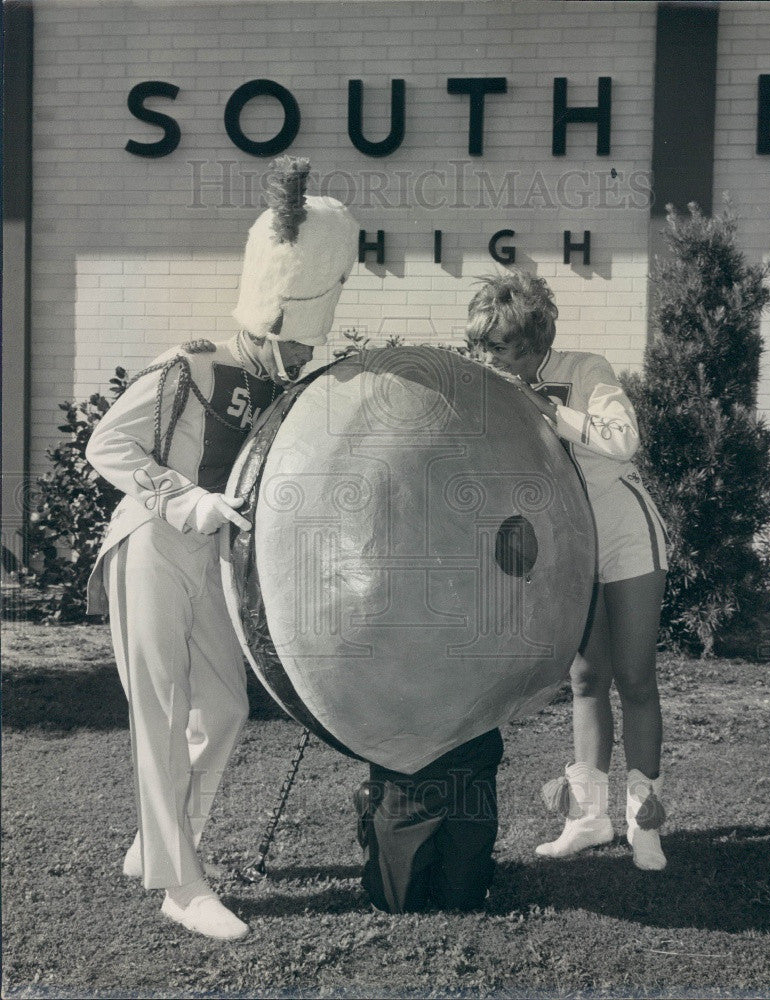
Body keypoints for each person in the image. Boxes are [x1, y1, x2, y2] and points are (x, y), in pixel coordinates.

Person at [85, 157, 359, 939]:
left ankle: (158, 842)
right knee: (161, 715)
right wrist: (184, 497)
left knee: (229, 709)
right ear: (271, 320)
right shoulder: (193, 362)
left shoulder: (286, 386)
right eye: (299, 345)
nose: (307, 357)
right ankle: (181, 884)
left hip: (212, 564)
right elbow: (108, 445)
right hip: (150, 547)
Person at [466, 269, 669, 871]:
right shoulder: (495, 386)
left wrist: (551, 413)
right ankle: (589, 818)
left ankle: (644, 822)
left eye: (496, 345)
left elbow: (624, 440)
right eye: (480, 343)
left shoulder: (586, 369)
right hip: (568, 543)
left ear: (530, 339)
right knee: (585, 679)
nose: (486, 356)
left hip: (627, 534)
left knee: (634, 678)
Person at [355, 729, 504, 913]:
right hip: (405, 762)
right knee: (396, 906)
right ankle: (371, 806)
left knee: (463, 903)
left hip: (469, 756)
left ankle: (438, 855)